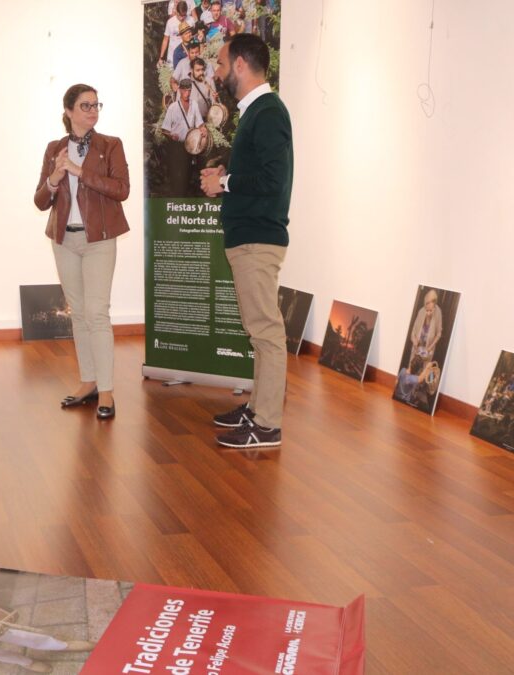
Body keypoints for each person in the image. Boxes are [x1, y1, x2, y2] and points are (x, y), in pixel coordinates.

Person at [200, 33, 293, 448]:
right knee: (258, 330)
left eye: (220, 64)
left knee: (266, 331)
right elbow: (259, 175)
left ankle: (268, 424)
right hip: (249, 235)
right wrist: (226, 179)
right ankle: (258, 409)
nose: (217, 73)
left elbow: (275, 180)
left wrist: (226, 181)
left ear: (240, 64)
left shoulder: (269, 112)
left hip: (258, 238)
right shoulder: (256, 112)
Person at [33, 84, 130, 420]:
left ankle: (106, 390)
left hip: (99, 239)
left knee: (97, 312)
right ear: (69, 111)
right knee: (79, 312)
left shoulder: (110, 145)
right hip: (65, 240)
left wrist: (80, 173)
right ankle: (88, 381)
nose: (92, 110)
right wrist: (55, 178)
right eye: (85, 105)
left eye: (96, 104)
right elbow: (40, 200)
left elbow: (121, 190)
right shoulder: (54, 149)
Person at [160, 2, 192, 66]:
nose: (182, 18)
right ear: (176, 11)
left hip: (187, 55)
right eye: (180, 15)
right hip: (172, 56)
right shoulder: (170, 22)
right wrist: (161, 57)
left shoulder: (191, 20)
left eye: (184, 15)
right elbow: (165, 40)